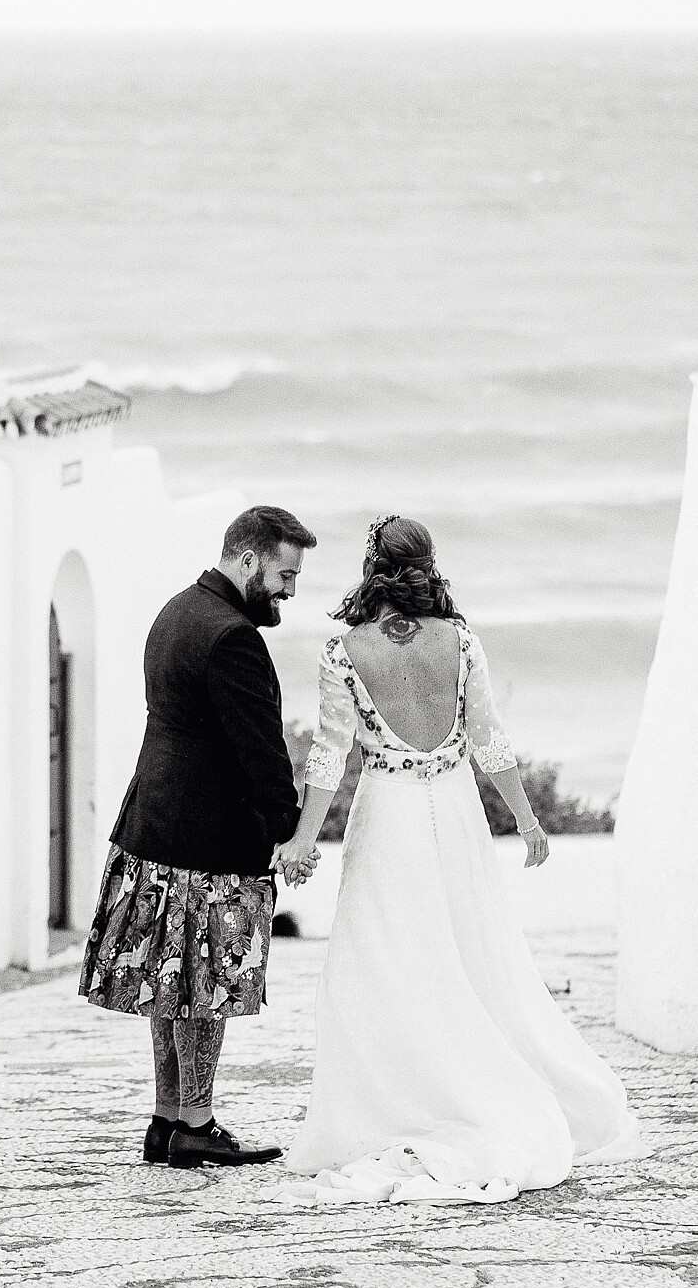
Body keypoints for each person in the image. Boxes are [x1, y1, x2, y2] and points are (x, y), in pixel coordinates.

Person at [276, 515, 645, 1205]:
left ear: (371, 565)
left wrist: (303, 836)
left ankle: (398, 1103)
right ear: (428, 565)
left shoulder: (342, 651)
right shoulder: (462, 640)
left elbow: (330, 755)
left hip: (386, 816)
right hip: (456, 816)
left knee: (383, 962)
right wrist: (527, 818)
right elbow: (490, 739)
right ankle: (481, 1091)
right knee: (475, 957)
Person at [79, 506, 319, 1168]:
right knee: (204, 985)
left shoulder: (176, 611)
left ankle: (168, 1120)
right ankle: (197, 1121)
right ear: (247, 561)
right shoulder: (232, 636)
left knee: (171, 984)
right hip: (208, 841)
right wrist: (287, 835)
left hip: (151, 826)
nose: (291, 591)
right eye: (284, 574)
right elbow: (261, 754)